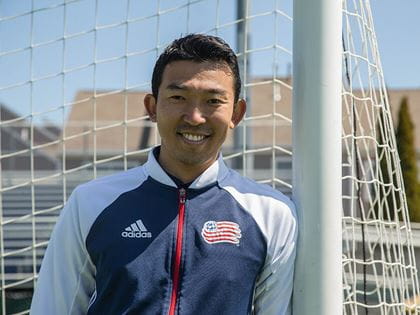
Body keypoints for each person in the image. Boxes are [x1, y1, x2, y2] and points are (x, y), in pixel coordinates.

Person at [30, 34, 297, 315]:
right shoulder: (90, 203)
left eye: (213, 101)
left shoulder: (272, 214)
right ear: (152, 107)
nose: (195, 116)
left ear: (237, 113)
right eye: (178, 97)